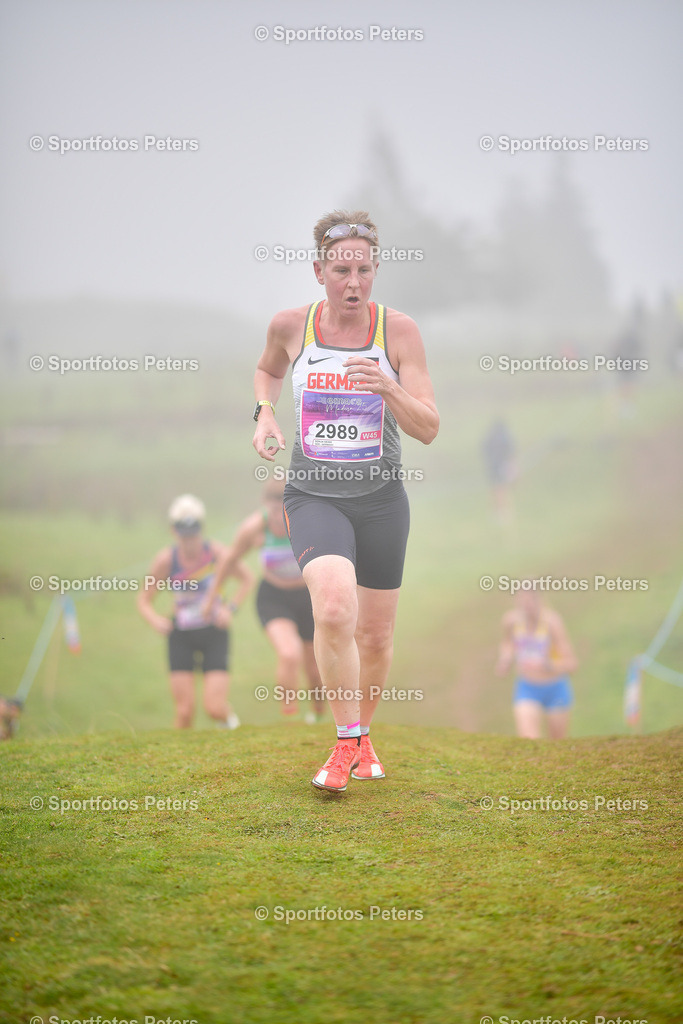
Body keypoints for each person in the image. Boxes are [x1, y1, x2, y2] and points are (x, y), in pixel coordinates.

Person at [252, 210, 439, 792]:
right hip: (313, 496)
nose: (352, 282)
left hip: (381, 499)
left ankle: (361, 736)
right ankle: (343, 743)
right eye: (340, 270)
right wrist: (264, 415)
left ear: (376, 271)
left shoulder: (398, 332)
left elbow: (429, 427)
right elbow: (267, 370)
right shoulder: (290, 326)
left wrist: (388, 386)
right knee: (334, 609)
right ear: (318, 271)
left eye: (363, 269)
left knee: (376, 637)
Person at [203, 479, 326, 722]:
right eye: (273, 510)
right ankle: (290, 717)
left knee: (314, 670)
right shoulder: (253, 527)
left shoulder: (305, 522)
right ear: (264, 504)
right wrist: (212, 596)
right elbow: (228, 561)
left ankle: (318, 713)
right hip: (274, 597)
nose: (278, 517)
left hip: (308, 597)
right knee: (289, 654)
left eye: (284, 510)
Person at [137, 494, 253, 729]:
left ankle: (229, 722)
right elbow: (144, 599)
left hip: (214, 633)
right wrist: (154, 620)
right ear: (174, 532)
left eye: (194, 534)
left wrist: (230, 609)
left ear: (202, 529)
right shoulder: (166, 560)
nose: (190, 541)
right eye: (184, 535)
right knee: (184, 712)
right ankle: (177, 761)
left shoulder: (217, 553)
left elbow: (247, 579)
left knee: (214, 708)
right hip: (181, 635)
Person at [495, 587, 578, 739]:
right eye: (522, 600)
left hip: (555, 688)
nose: (527, 606)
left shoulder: (552, 623)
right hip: (527, 687)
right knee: (529, 742)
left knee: (557, 745)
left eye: (531, 600)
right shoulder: (510, 621)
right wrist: (505, 660)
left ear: (539, 600)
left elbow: (572, 664)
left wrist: (548, 665)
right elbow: (507, 643)